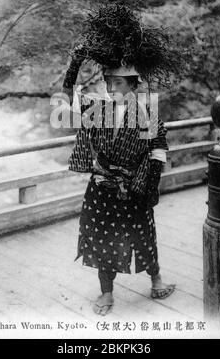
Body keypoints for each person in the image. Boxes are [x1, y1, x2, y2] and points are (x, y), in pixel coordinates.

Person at [62, 50, 176, 316]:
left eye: (119, 83)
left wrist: (151, 186)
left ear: (134, 85)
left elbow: (157, 151)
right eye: (109, 82)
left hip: (134, 186)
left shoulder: (148, 113)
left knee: (143, 234)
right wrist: (76, 64)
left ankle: (156, 280)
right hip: (102, 187)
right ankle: (107, 292)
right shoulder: (96, 109)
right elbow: (66, 98)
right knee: (102, 238)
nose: (112, 88)